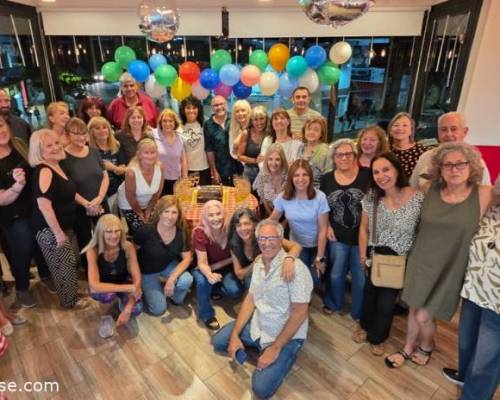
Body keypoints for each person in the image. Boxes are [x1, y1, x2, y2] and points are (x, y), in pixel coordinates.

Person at [385, 142, 492, 369]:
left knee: (424, 316)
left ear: (472, 166)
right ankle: (407, 347)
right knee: (414, 307)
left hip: (451, 267)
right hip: (421, 260)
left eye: (460, 164)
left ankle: (427, 345)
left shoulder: (484, 194)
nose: (454, 169)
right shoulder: (429, 189)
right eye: (448, 165)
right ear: (440, 168)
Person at [212, 219, 313, 399]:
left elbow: (300, 313)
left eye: (272, 238)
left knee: (260, 388)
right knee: (219, 341)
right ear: (257, 240)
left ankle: (283, 352)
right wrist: (235, 334)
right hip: (260, 325)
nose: (266, 243)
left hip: (284, 334)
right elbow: (251, 299)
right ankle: (258, 346)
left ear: (281, 239)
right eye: (262, 238)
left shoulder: (296, 269)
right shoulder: (258, 263)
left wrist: (275, 348)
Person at [355, 153, 424, 355]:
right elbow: (363, 229)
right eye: (376, 172)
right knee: (369, 295)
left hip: (400, 258)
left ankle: (378, 337)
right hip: (376, 254)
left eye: (386, 169)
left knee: (386, 303)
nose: (381, 176)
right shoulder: (372, 197)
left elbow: (422, 230)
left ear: (397, 170)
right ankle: (364, 325)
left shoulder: (417, 197)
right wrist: (362, 255)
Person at [441, 177, 500, 400]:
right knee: (467, 341)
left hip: (497, 301)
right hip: (474, 289)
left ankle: (474, 395)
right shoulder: (491, 209)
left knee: (487, 358)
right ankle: (465, 375)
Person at [29, 129, 90, 309]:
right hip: (49, 229)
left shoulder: (58, 165)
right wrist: (57, 233)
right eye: (49, 146)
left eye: (56, 143)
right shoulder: (45, 171)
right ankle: (70, 301)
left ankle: (72, 292)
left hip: (63, 226)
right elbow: (44, 205)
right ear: (39, 152)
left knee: (69, 261)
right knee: (63, 265)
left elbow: (70, 192)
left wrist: (86, 204)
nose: (56, 147)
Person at [0, 115, 52, 308]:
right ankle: (22, 289)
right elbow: (2, 199)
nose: (1, 131)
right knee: (23, 249)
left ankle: (46, 276)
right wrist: (17, 186)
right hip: (13, 215)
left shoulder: (20, 145)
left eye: (1, 125)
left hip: (34, 207)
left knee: (42, 242)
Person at [320, 139, 370, 319]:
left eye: (348, 154)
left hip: (362, 237)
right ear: (334, 158)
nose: (344, 158)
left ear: (355, 156)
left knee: (360, 277)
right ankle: (335, 303)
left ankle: (359, 312)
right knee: (335, 274)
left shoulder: (367, 175)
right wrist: (327, 226)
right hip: (337, 236)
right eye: (339, 155)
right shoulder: (326, 179)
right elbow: (322, 207)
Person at [271, 160, 329, 289]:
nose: (301, 179)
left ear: (310, 177)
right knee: (299, 277)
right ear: (291, 178)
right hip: (297, 245)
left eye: (305, 175)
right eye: (296, 175)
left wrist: (319, 258)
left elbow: (323, 229)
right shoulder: (283, 197)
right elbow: (272, 221)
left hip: (318, 245)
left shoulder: (320, 197)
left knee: (315, 279)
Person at [84, 214, 142, 339]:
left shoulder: (128, 246)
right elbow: (95, 285)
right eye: (109, 232)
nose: (114, 236)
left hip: (124, 281)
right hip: (104, 286)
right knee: (106, 295)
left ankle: (122, 303)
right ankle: (105, 317)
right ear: (100, 233)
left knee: (136, 309)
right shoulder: (93, 250)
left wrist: (127, 309)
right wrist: (129, 289)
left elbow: (137, 278)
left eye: (117, 231)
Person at [134, 196, 193, 316]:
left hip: (167, 264)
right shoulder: (146, 231)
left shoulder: (182, 231)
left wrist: (172, 279)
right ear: (159, 212)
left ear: (179, 214)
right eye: (166, 211)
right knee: (158, 310)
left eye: (174, 212)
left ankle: (174, 298)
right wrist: (136, 278)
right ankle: (148, 290)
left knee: (186, 280)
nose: (170, 217)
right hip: (147, 270)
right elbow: (132, 253)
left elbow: (187, 258)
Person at [192, 200, 243, 330]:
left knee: (235, 291)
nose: (215, 218)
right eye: (211, 215)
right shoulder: (200, 232)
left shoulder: (231, 229)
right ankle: (206, 314)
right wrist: (209, 274)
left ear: (224, 214)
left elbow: (237, 255)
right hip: (204, 268)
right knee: (203, 282)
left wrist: (218, 266)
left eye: (218, 214)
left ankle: (214, 289)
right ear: (205, 217)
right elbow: (202, 263)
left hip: (225, 267)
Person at [63, 118, 109, 263]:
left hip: (100, 202)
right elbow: (66, 186)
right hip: (79, 207)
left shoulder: (94, 152)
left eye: (83, 133)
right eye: (76, 134)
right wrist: (87, 204)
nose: (81, 137)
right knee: (86, 241)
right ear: (67, 135)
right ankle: (90, 270)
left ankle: (108, 267)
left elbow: (105, 176)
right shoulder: (63, 157)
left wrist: (99, 198)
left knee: (107, 236)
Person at [410, 111, 491, 189]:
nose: (449, 134)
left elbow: (485, 193)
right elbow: (413, 188)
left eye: (453, 129)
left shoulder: (476, 162)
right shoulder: (426, 157)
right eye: (443, 129)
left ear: (465, 131)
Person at [228, 208, 301, 289]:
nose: (243, 228)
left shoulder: (264, 234)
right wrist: (255, 263)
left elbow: (296, 246)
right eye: (239, 225)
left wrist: (289, 259)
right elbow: (239, 275)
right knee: (250, 283)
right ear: (235, 228)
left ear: (254, 224)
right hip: (253, 274)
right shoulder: (234, 244)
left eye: (247, 224)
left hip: (273, 270)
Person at [117, 138, 163, 235]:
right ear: (139, 154)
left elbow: (157, 192)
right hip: (129, 204)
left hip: (149, 202)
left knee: (157, 226)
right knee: (142, 231)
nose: (150, 156)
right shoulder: (131, 172)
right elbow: (130, 197)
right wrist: (140, 214)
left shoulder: (160, 167)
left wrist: (149, 210)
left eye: (153, 152)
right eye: (146, 153)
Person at [88, 116, 127, 213]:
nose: (102, 131)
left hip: (117, 191)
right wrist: (117, 169)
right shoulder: (88, 149)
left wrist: (112, 167)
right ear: (91, 132)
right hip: (98, 194)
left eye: (105, 127)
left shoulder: (116, 145)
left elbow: (123, 169)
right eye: (97, 128)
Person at [204, 96, 238, 186]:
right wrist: (214, 171)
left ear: (226, 105)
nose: (219, 107)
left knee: (240, 193)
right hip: (220, 169)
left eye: (221, 104)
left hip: (238, 167)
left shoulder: (235, 118)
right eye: (216, 105)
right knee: (224, 193)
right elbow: (209, 149)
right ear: (212, 108)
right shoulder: (208, 124)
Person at [153, 109, 187, 195]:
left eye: (170, 121)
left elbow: (183, 161)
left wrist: (184, 180)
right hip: (159, 180)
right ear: (160, 122)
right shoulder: (154, 135)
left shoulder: (180, 137)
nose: (167, 123)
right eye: (164, 121)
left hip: (176, 180)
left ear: (175, 123)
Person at [178, 96, 210, 185]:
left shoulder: (205, 125)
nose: (191, 110)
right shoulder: (178, 127)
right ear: (183, 110)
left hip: (204, 169)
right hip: (186, 171)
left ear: (199, 109)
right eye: (188, 108)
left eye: (194, 108)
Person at [253, 144, 288, 217]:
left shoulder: (288, 176)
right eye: (270, 159)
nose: (273, 163)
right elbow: (264, 199)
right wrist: (271, 217)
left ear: (282, 160)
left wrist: (284, 222)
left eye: (277, 159)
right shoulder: (263, 174)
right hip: (268, 212)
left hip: (287, 216)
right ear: (266, 160)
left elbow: (292, 204)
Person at [388, 112, 426, 178]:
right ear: (390, 131)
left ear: (411, 130)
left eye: (405, 125)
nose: (400, 128)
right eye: (396, 125)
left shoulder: (421, 152)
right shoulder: (383, 149)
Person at [297, 116, 331, 187]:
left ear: (321, 133)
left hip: (317, 190)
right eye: (309, 129)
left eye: (316, 130)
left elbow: (329, 177)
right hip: (300, 187)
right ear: (304, 131)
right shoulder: (301, 147)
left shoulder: (326, 151)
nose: (311, 132)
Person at [236, 105, 267, 182]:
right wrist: (255, 160)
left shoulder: (270, 133)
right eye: (255, 119)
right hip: (249, 173)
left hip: (266, 173)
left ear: (266, 119)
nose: (259, 122)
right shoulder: (246, 133)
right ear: (251, 121)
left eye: (262, 118)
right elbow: (239, 156)